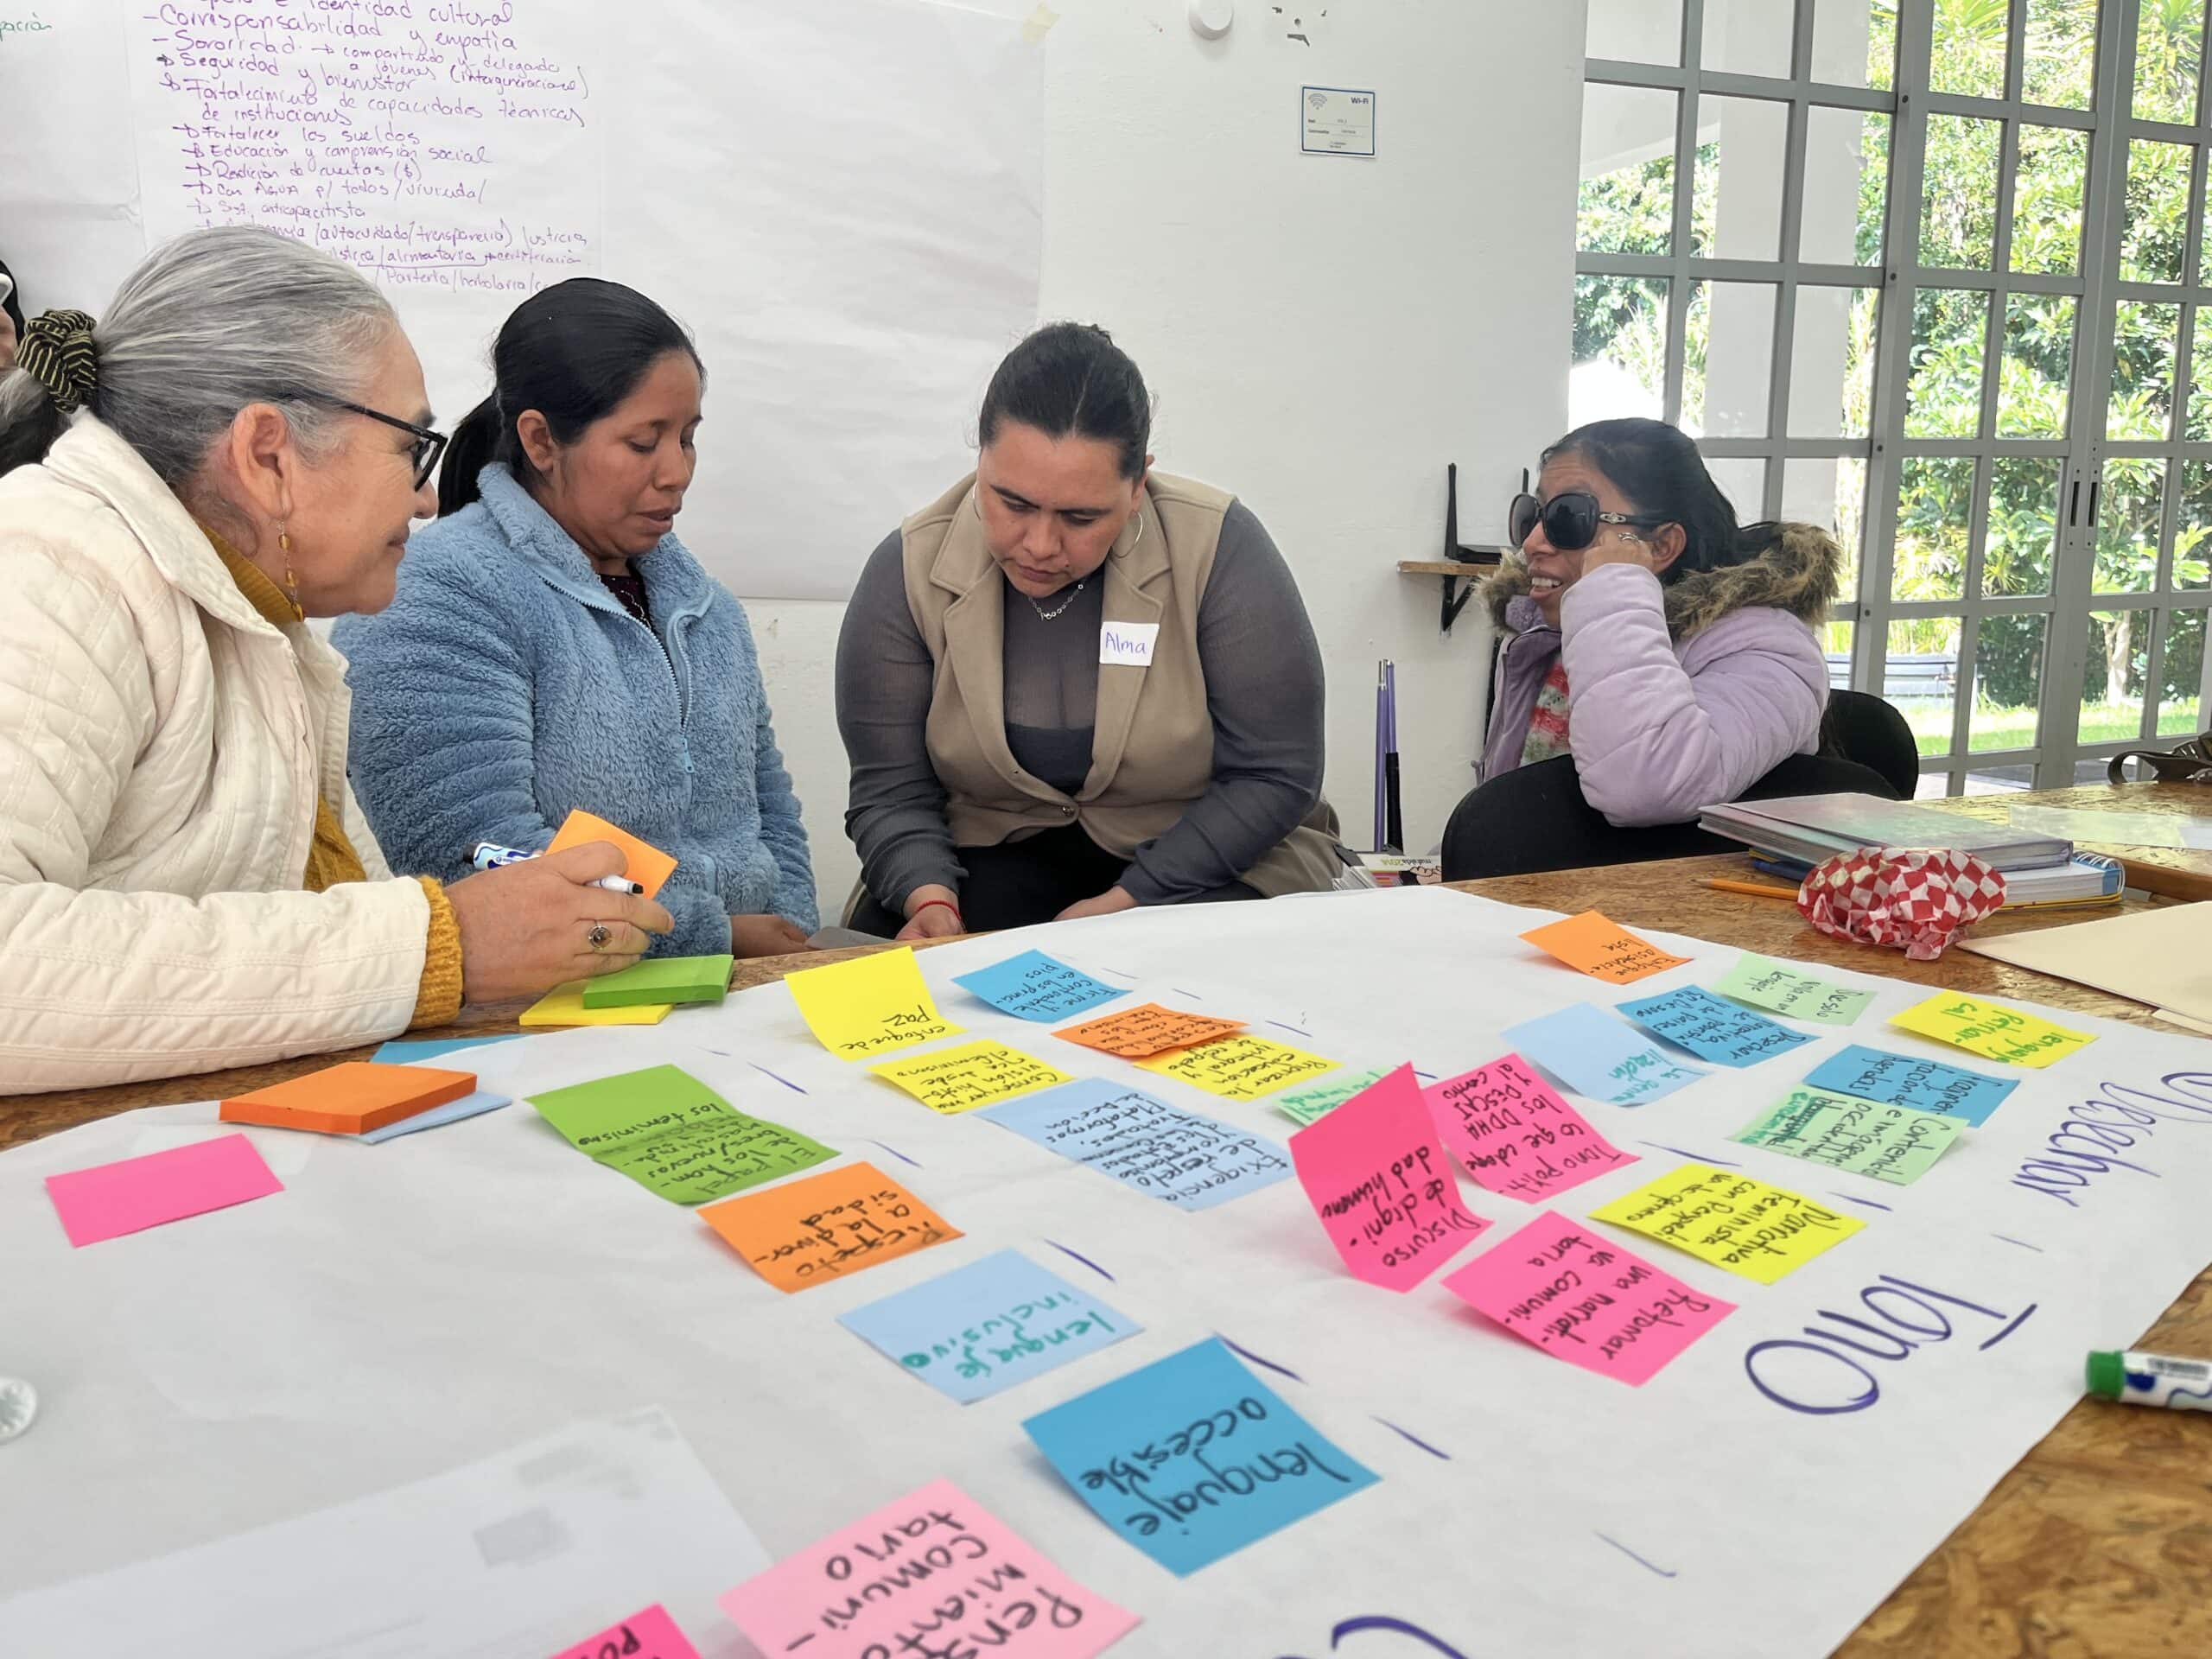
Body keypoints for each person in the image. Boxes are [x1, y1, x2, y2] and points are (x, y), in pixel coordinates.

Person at [0, 228, 672, 1095]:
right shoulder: (48, 567)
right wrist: (439, 946)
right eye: (409, 448)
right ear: (269, 454)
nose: (429, 497)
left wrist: (470, 945)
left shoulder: (261, 618)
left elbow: (318, 925)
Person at [335, 280, 817, 959]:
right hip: (552, 1009)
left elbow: (772, 815)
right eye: (644, 442)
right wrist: (714, 939)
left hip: (753, 983)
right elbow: (471, 853)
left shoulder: (707, 607)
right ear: (540, 440)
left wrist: (795, 938)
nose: (678, 472)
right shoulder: (438, 590)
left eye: (687, 438)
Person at [837, 321, 1341, 941]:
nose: (1041, 546)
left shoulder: (1218, 547)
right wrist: (929, 898)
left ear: (1137, 488)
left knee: (1202, 974)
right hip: (989, 857)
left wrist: (1134, 899)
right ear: (980, 460)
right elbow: (890, 789)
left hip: (1210, 857)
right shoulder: (911, 565)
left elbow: (1276, 774)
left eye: (1081, 517)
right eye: (1013, 504)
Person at [1479, 416, 1839, 826]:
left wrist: (1614, 586)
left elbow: (1645, 788)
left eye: (1568, 516)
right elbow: (1508, 817)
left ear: (1663, 545)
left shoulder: (1771, 650)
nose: (1531, 543)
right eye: (1534, 514)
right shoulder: (1547, 639)